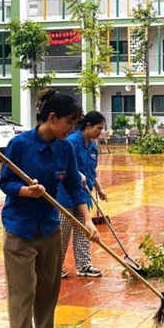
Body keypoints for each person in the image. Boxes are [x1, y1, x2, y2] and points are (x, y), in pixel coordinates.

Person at [0, 90, 100, 328]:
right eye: (69, 122)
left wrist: (88, 221)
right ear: (52, 118)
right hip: (20, 228)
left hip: (49, 227)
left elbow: (74, 186)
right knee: (23, 292)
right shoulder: (19, 145)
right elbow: (5, 183)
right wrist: (25, 191)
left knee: (48, 287)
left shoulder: (64, 148)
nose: (72, 129)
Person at [59, 110, 107, 278]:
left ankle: (84, 265)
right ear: (88, 126)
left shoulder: (93, 146)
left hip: (84, 196)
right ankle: (55, 267)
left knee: (84, 231)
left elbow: (91, 172)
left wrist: (99, 189)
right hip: (66, 196)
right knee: (62, 233)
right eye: (98, 128)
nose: (100, 132)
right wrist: (77, 175)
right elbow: (64, 166)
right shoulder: (71, 142)